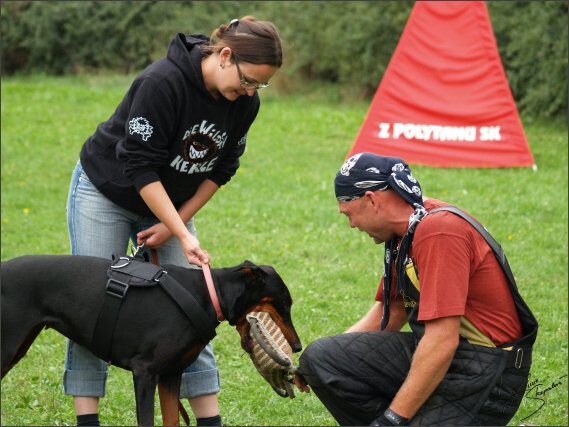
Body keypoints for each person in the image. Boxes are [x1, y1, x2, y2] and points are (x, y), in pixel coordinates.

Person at [64, 16, 283, 426]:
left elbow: (222, 169)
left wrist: (175, 225)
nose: (251, 91)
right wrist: (181, 233)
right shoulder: (162, 83)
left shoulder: (244, 104)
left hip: (171, 207)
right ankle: (87, 420)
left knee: (197, 310)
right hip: (105, 192)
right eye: (249, 80)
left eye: (260, 85)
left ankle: (208, 420)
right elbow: (140, 165)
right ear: (225, 55)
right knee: (92, 310)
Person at [295, 153, 538, 426]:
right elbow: (391, 313)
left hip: (488, 373)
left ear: (372, 200)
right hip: (451, 355)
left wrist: (393, 418)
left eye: (349, 214)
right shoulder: (409, 229)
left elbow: (442, 340)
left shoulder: (439, 230)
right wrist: (307, 367)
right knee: (321, 358)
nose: (352, 225)